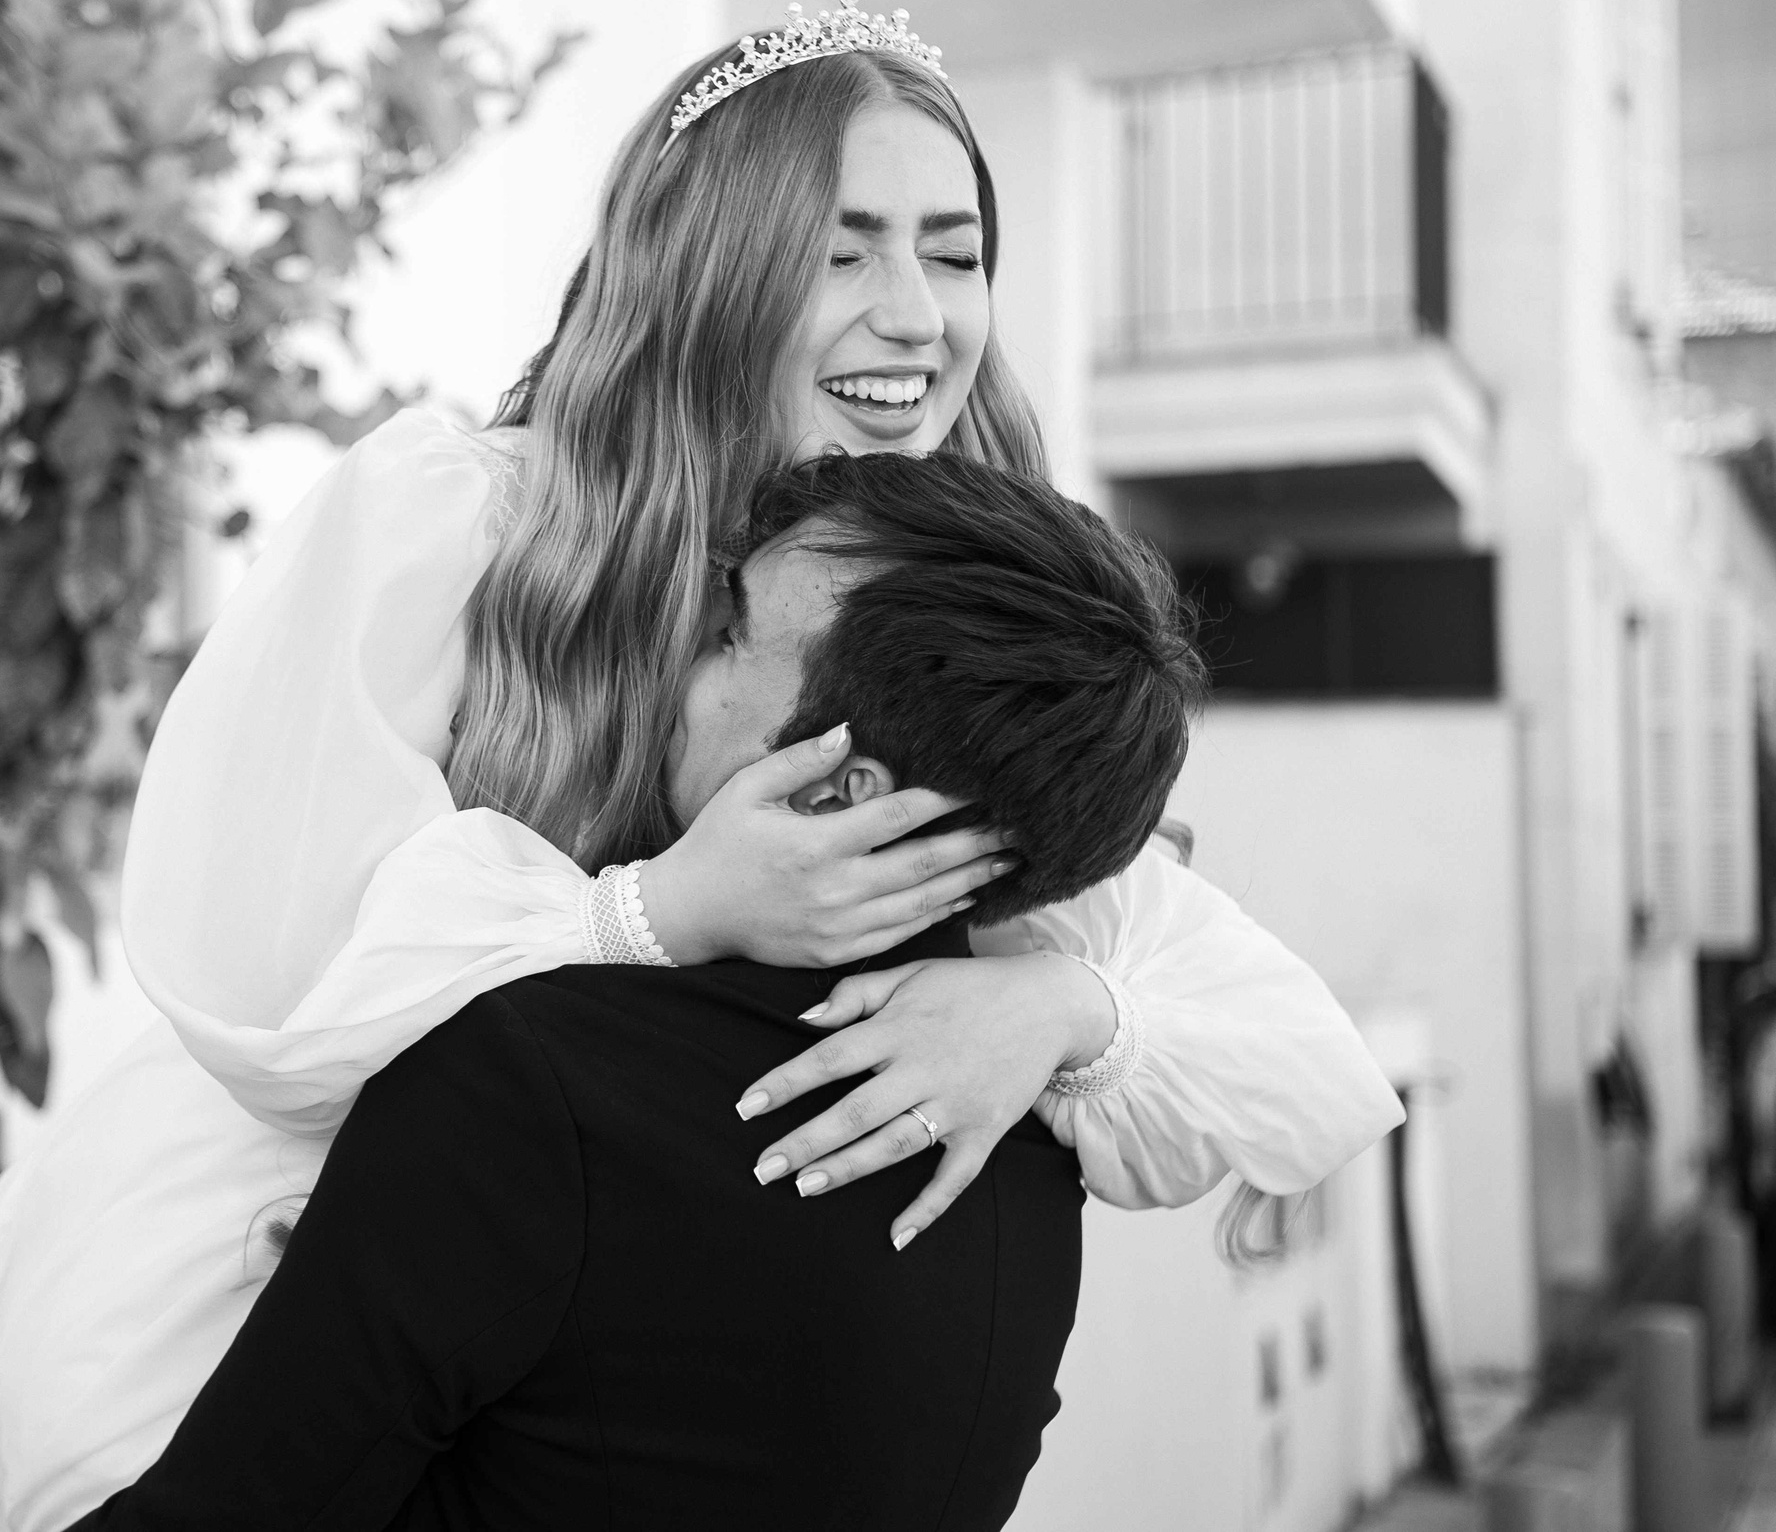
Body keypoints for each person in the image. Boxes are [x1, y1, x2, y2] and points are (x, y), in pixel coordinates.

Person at [0, 0, 1404, 1532]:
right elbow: (264, 983)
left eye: (954, 252)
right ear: (711, 266)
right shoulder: (469, 524)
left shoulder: (937, 602)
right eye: (845, 248)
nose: (917, 312)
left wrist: (1063, 1008)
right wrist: (655, 910)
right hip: (257, 1277)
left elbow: (1300, 1066)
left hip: (604, 1361)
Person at [65, 447, 1214, 1532]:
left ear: (840, 791)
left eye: (729, 634)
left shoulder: (534, 1086)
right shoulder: (1033, 1158)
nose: (675, 660)